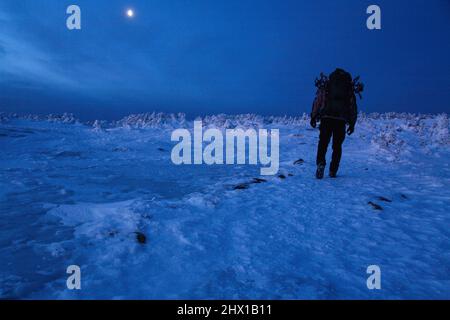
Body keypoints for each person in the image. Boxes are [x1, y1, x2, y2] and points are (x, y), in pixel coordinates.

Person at [310, 68, 358, 179]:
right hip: (340, 120)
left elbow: (318, 101)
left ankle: (320, 164)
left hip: (326, 118)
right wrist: (352, 124)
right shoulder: (347, 88)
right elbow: (352, 107)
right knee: (337, 146)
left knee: (323, 143)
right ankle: (333, 170)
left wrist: (313, 116)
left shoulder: (328, 85)